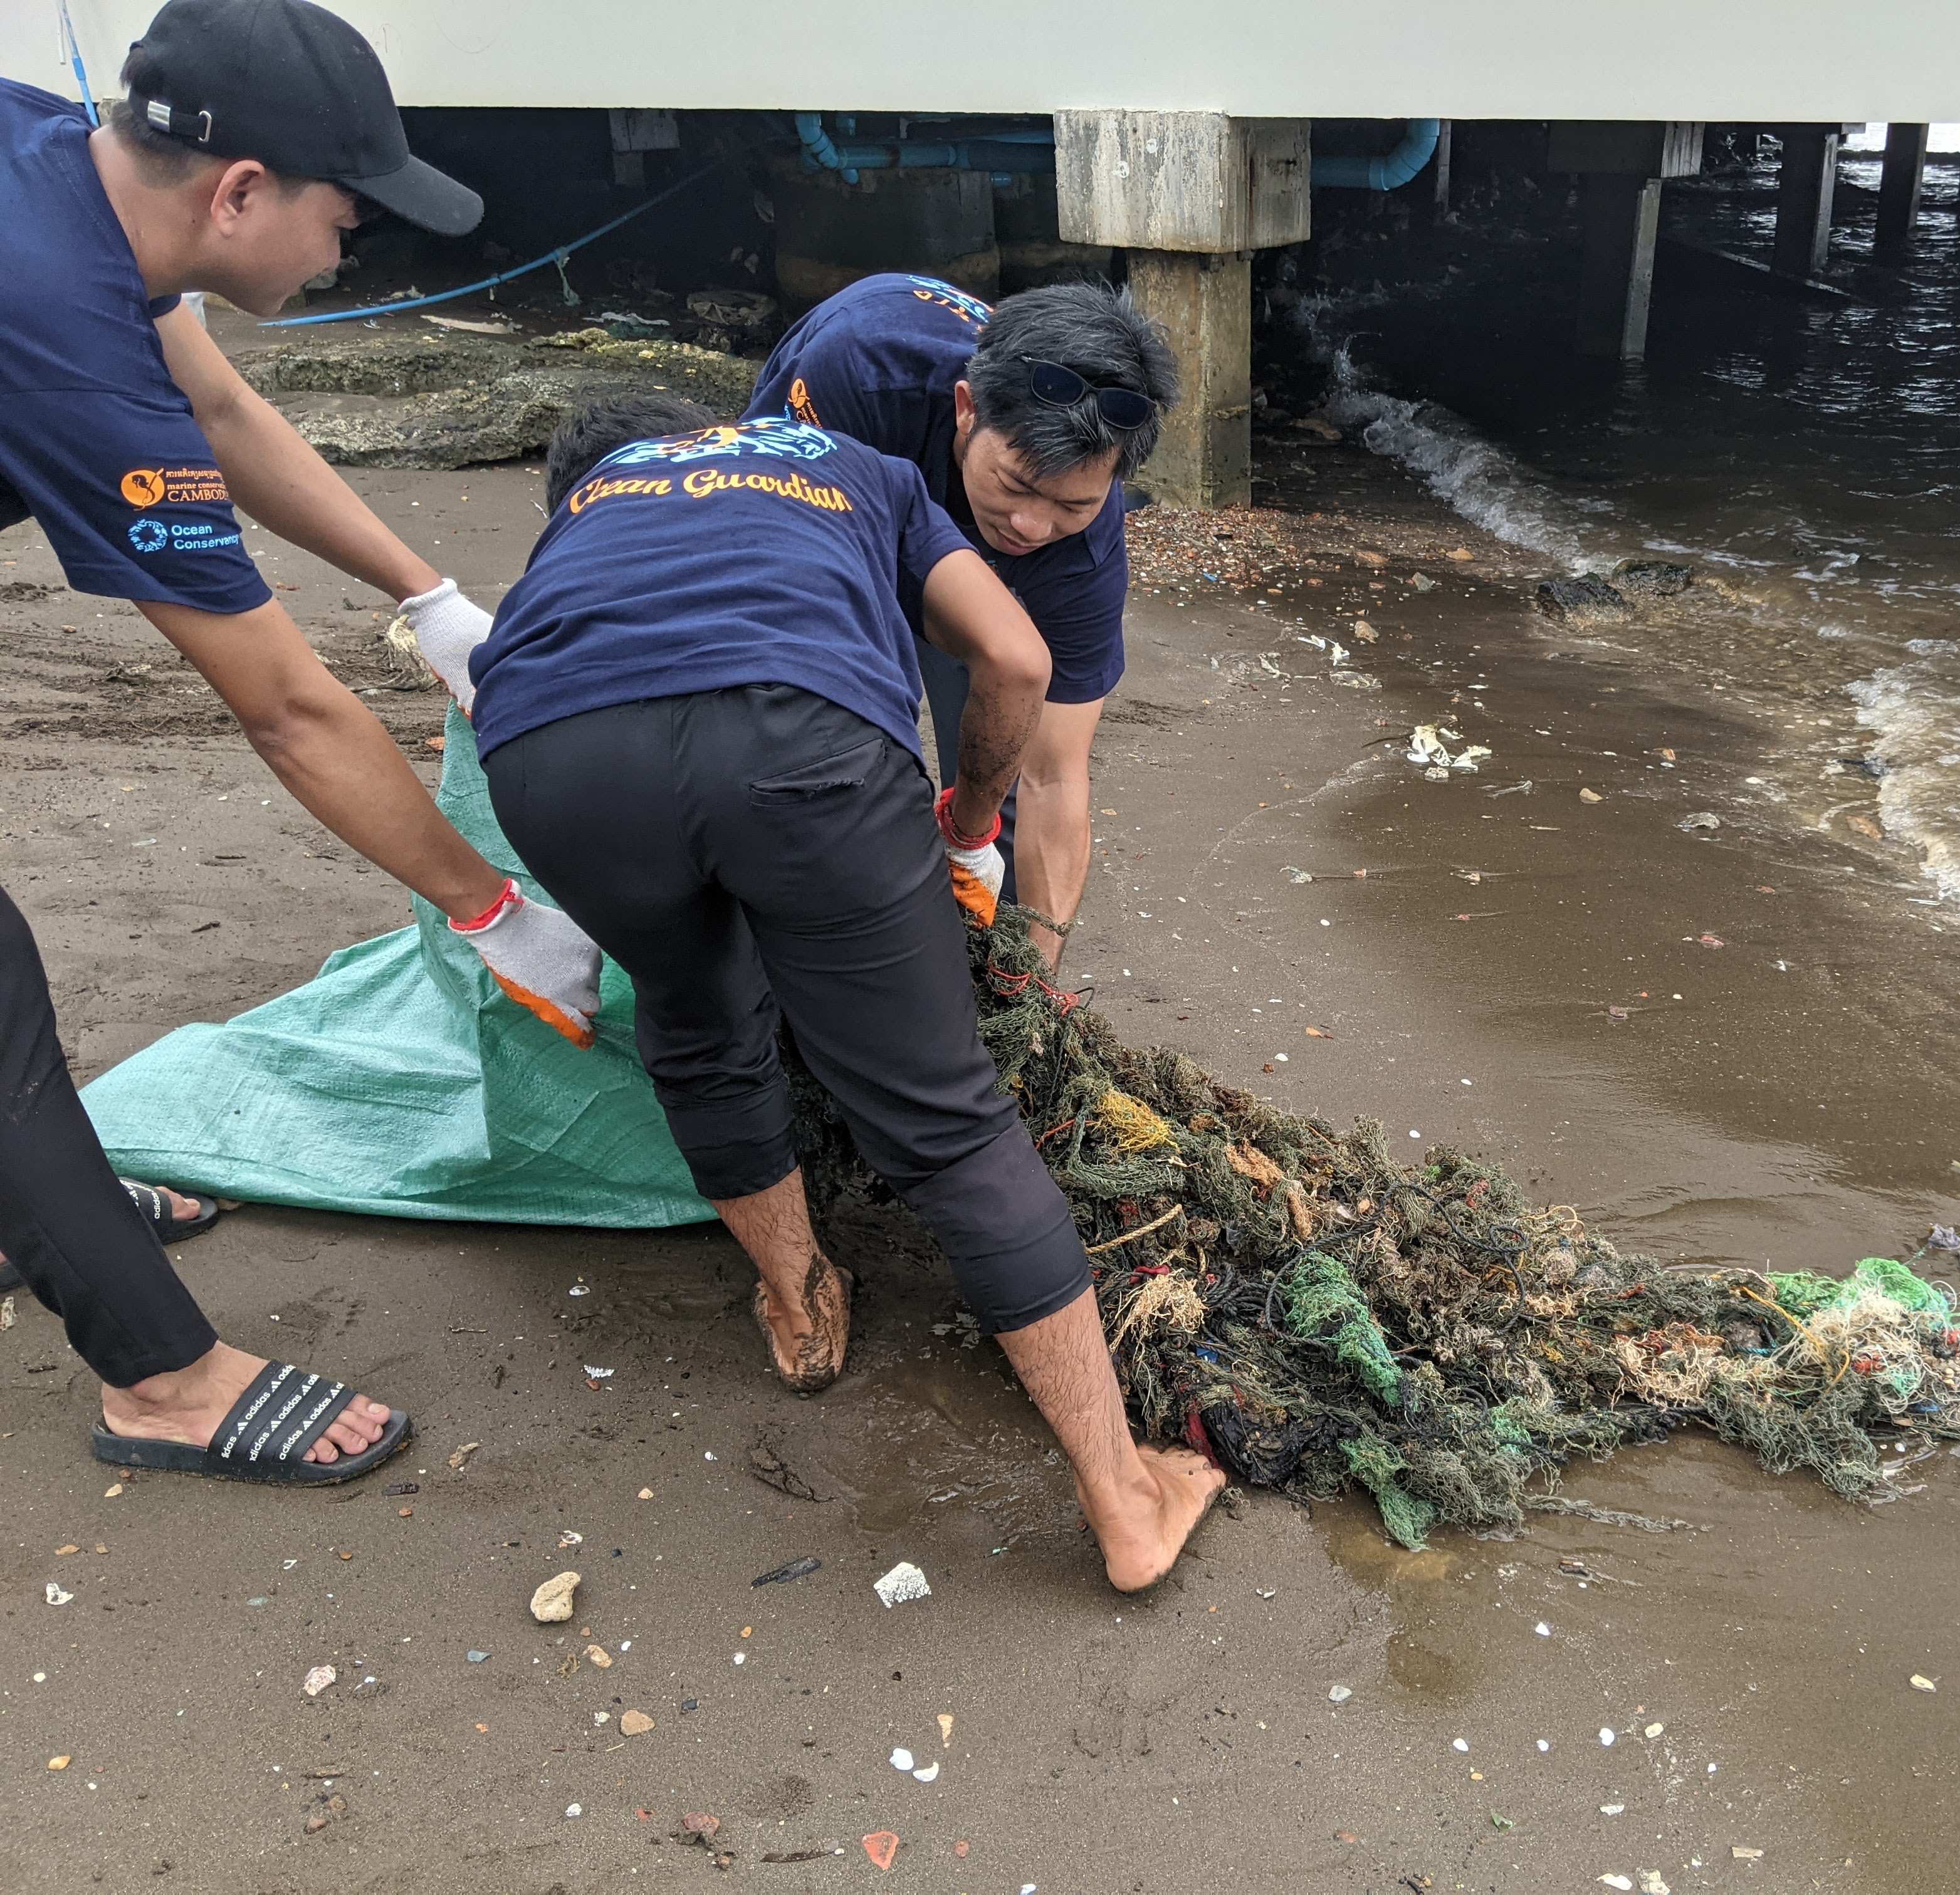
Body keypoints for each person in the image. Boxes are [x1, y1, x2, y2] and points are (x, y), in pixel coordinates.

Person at [468, 392, 1223, 1589]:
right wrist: (969, 823)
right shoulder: (847, 461)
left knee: (698, 1017)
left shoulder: (589, 514)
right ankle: (1126, 1499)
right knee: (947, 1119)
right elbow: (1017, 657)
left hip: (558, 755)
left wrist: (491, 909)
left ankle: (802, 1311)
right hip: (800, 740)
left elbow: (525, 672)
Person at [0, 0, 604, 1484]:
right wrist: (492, 910)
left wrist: (431, 596)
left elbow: (213, 397)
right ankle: (165, 1379)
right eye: (346, 219)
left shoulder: (60, 158)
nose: (350, 256)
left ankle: (36, 1200)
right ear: (240, 191)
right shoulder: (57, 326)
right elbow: (283, 706)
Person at [745, 273, 1178, 969]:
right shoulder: (858, 375)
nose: (1033, 526)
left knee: (994, 786)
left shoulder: (1084, 544)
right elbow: (786, 607)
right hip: (821, 496)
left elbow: (1054, 777)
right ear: (968, 409)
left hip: (961, 538)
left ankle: (985, 968)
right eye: (1015, 486)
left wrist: (1039, 987)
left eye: (1074, 505)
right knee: (828, 749)